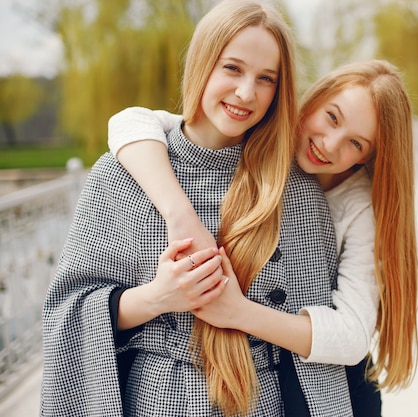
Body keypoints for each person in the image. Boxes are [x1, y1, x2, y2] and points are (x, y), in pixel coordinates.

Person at [40, 1, 354, 416]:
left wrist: (240, 314)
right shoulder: (121, 174)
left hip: (258, 401)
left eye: (266, 79)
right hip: (153, 399)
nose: (246, 93)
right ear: (203, 63)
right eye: (232, 68)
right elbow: (67, 311)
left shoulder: (294, 191)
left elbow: (318, 346)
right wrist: (157, 297)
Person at [108, 60, 418, 415]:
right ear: (314, 98)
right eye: (332, 117)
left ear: (368, 157)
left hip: (329, 384)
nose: (330, 145)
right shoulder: (265, 137)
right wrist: (180, 215)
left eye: (356, 143)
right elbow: (130, 121)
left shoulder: (358, 205)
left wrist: (239, 312)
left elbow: (351, 335)